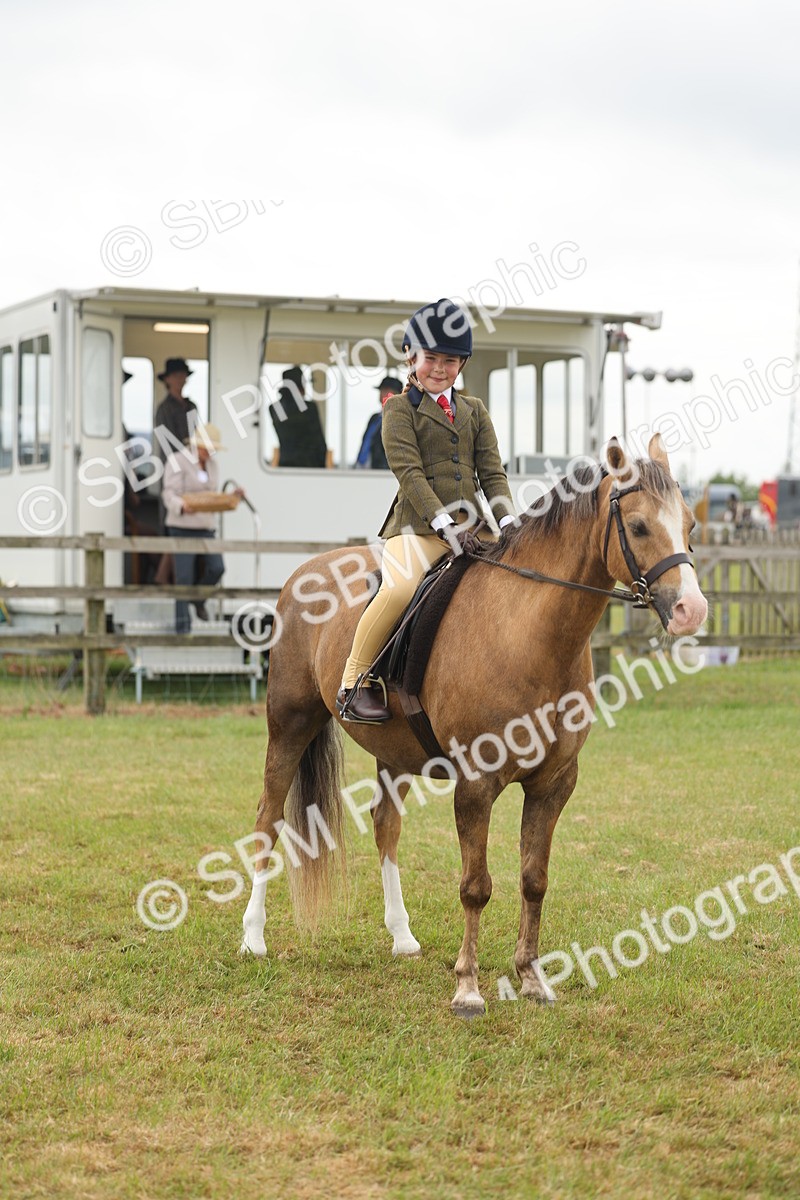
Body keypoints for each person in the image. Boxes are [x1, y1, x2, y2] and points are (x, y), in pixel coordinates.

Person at [337, 298, 516, 723]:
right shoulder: (398, 410)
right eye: (430, 358)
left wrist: (510, 523)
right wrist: (444, 525)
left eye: (449, 361)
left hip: (475, 530)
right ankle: (354, 680)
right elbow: (410, 475)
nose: (439, 368)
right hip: (417, 529)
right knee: (399, 590)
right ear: (410, 356)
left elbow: (492, 474)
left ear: (462, 363)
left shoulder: (475, 411)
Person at [161, 423, 244, 634]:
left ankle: (198, 599)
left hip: (205, 526)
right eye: (207, 447)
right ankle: (182, 627)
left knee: (217, 567)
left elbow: (212, 496)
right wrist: (181, 506)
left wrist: (232, 497)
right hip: (182, 526)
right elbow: (168, 493)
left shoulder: (213, 465)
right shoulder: (177, 460)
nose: (210, 451)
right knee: (183, 577)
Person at [268, 365, 327, 468]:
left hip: (285, 465)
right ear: (300, 387)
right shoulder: (309, 408)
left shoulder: (275, 408)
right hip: (311, 466)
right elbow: (320, 444)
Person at [354, 375, 402, 469]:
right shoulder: (375, 418)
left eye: (386, 390)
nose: (382, 394)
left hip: (383, 471)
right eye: (381, 390)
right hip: (365, 468)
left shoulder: (400, 418)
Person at [154, 358, 198, 457]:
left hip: (192, 460)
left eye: (182, 375)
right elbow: (167, 442)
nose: (179, 379)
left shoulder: (191, 406)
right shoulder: (164, 409)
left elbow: (195, 435)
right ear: (167, 379)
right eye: (175, 375)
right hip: (172, 461)